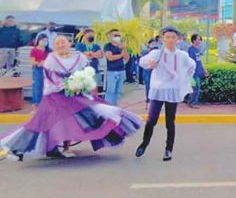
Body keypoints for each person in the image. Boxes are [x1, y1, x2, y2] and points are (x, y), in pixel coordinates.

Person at [1, 36, 142, 161]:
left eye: (63, 42)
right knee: (44, 122)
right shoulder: (51, 59)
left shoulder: (79, 57)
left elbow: (85, 74)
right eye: (57, 43)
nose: (61, 45)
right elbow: (52, 79)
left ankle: (67, 147)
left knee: (83, 116)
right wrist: (68, 85)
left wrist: (82, 85)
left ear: (69, 43)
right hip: (55, 95)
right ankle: (25, 147)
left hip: (76, 94)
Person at [135, 26, 195, 162]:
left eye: (173, 37)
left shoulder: (182, 55)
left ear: (177, 39)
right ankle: (144, 143)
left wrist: (183, 77)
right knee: (151, 119)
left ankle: (169, 149)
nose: (170, 40)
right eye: (167, 37)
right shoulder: (157, 53)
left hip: (172, 91)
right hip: (158, 90)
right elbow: (142, 62)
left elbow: (191, 66)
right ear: (163, 39)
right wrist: (150, 63)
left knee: (170, 121)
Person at [103, 29, 130, 106]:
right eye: (115, 35)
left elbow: (127, 59)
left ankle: (114, 106)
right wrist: (120, 55)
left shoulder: (121, 46)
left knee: (117, 91)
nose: (117, 37)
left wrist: (124, 48)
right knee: (110, 91)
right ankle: (108, 107)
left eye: (119, 35)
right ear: (110, 36)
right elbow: (110, 57)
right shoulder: (108, 46)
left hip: (121, 71)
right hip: (112, 71)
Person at [187, 34, 208, 109]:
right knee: (196, 87)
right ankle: (193, 103)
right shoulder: (190, 50)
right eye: (198, 39)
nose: (200, 41)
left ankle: (190, 102)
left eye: (200, 39)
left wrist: (204, 69)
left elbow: (199, 61)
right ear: (194, 40)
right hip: (193, 73)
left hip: (198, 72)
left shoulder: (197, 50)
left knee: (194, 88)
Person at [29, 35, 49, 106]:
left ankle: (43, 102)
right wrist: (39, 63)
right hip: (38, 69)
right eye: (43, 40)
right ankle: (36, 102)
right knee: (37, 86)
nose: (44, 42)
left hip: (47, 70)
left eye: (46, 41)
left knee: (45, 86)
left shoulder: (48, 50)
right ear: (38, 41)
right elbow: (33, 62)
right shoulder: (34, 50)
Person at [141, 38, 158, 106]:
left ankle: (155, 101)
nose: (153, 45)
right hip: (147, 71)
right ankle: (148, 101)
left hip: (155, 72)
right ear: (149, 44)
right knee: (148, 86)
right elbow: (142, 62)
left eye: (154, 43)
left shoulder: (157, 52)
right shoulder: (145, 52)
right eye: (152, 44)